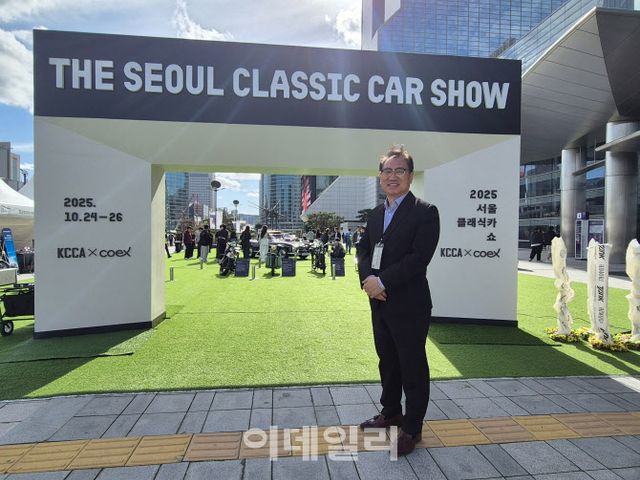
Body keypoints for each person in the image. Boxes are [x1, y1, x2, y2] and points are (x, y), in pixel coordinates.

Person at [356, 145, 440, 456]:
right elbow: (363, 250)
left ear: (411, 176)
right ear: (380, 177)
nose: (393, 176)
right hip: (379, 301)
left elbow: (419, 258)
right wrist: (368, 281)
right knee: (387, 360)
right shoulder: (376, 214)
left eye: (400, 170)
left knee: (412, 364)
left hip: (409, 304)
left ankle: (412, 428)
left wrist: (382, 281)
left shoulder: (425, 212)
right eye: (387, 171)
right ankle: (391, 412)